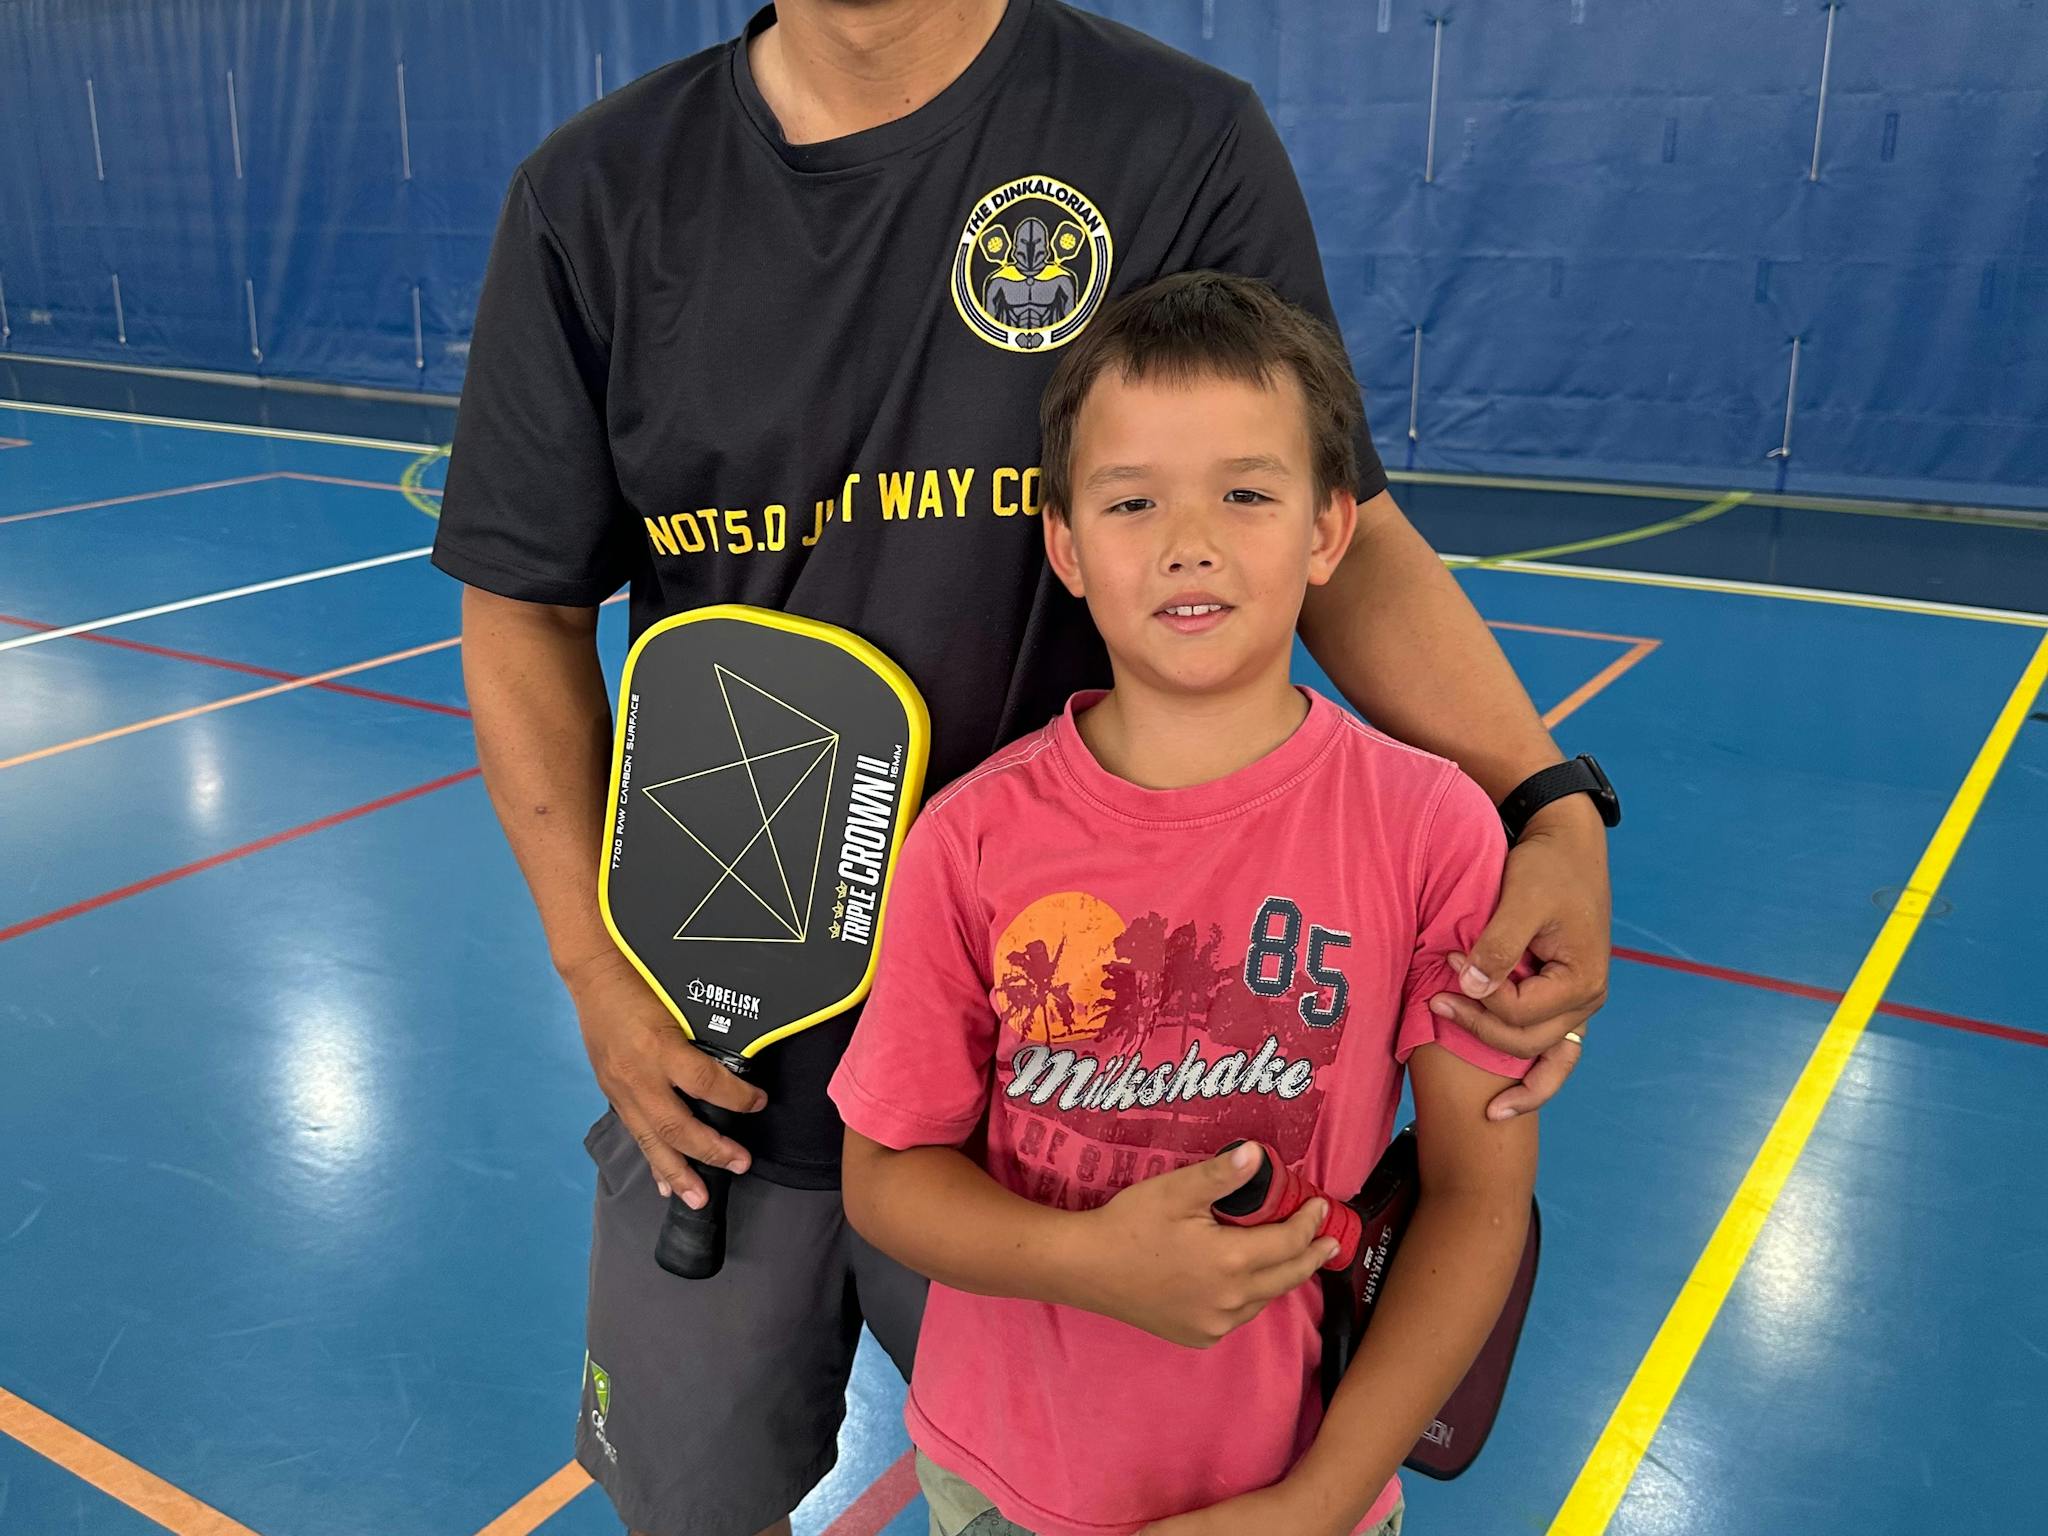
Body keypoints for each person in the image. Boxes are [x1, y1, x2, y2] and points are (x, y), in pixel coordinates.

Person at [432, 3, 1608, 1532]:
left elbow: (1329, 514)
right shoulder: (594, 198)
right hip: (724, 1065)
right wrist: (598, 976)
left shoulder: (1173, 143)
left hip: (1078, 1124)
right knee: (692, 1505)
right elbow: (522, 604)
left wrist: (1544, 797)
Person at [831, 270, 1539, 1536]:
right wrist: (1081, 1263)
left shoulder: (1430, 829)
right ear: (1066, 543)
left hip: (1289, 1493)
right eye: (1132, 499)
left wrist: (1315, 1503)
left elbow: (1477, 1199)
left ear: (1330, 529)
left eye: (1247, 493)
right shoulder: (971, 838)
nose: (1188, 540)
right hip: (998, 1482)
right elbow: (885, 1178)